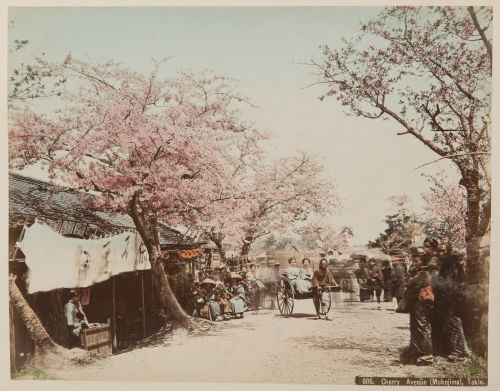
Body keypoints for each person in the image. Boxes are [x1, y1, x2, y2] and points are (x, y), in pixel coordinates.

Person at [433, 246, 470, 362]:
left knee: (453, 324)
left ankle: (460, 354)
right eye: (439, 251)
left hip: (451, 299)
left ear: (448, 251)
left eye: (443, 251)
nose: (440, 253)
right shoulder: (453, 263)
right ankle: (461, 351)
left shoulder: (449, 264)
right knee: (453, 324)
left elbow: (447, 285)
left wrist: (435, 284)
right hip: (454, 297)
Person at [401, 247, 434, 366]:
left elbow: (412, 285)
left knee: (421, 327)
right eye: (413, 261)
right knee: (415, 326)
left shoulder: (424, 273)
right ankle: (416, 350)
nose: (413, 263)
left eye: (416, 261)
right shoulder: (419, 272)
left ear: (423, 260)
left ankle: (427, 354)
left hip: (422, 302)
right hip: (417, 303)